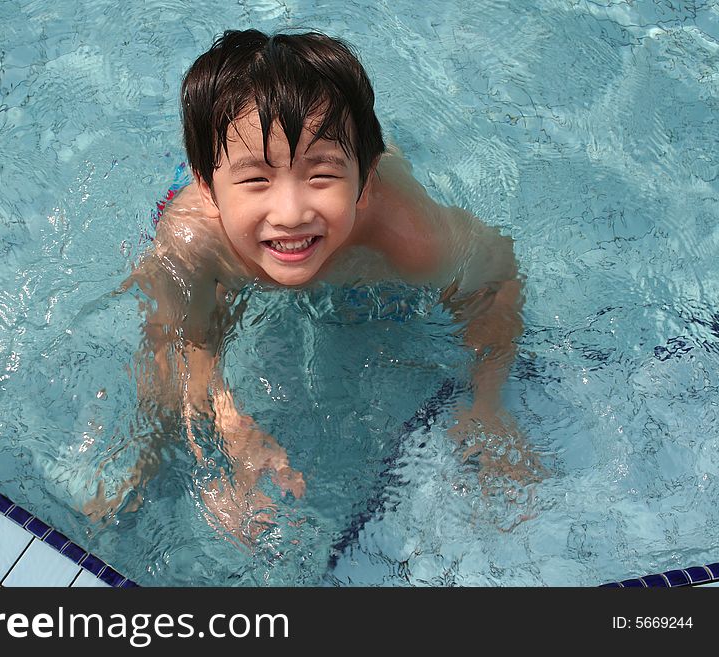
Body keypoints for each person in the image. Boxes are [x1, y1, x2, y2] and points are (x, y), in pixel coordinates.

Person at [111, 29, 540, 544]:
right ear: (206, 187)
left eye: (322, 176)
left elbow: (492, 277)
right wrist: (227, 433)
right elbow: (182, 344)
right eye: (254, 181)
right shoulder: (193, 238)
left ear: (364, 179)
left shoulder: (406, 236)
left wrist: (488, 402)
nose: (291, 214)